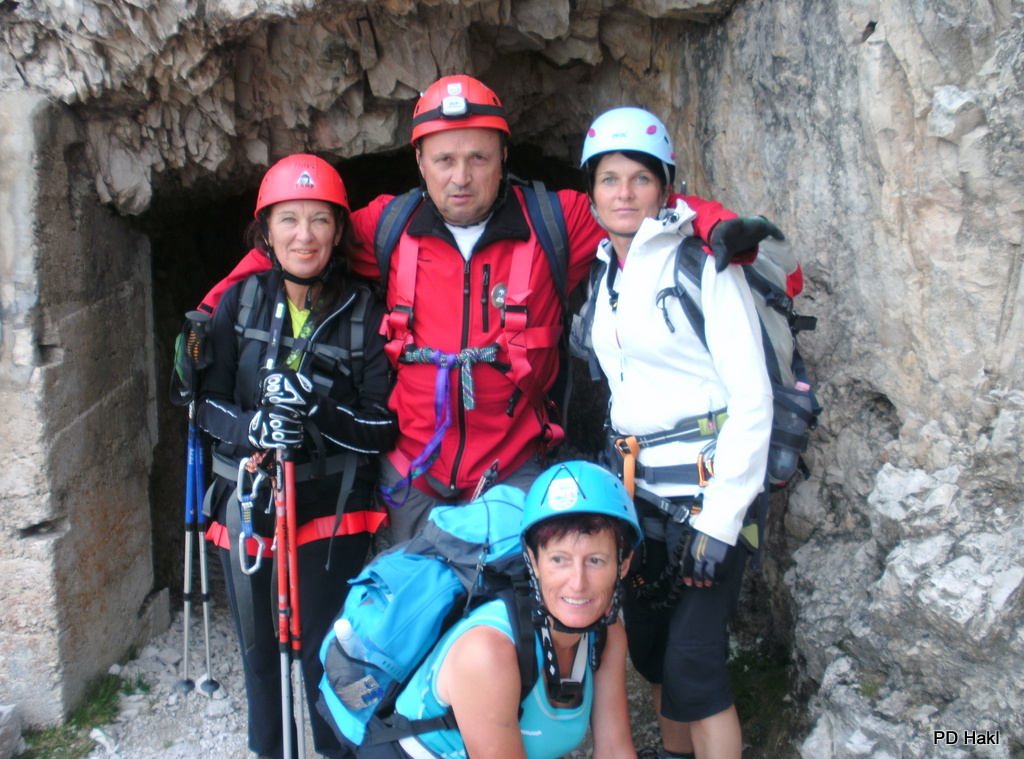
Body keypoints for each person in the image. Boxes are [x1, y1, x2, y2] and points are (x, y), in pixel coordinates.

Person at [199, 75, 747, 543]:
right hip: (412, 477)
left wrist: (720, 227)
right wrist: (208, 310)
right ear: (419, 162)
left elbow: (641, 204)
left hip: (514, 473)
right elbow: (299, 245)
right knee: (418, 618)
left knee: (503, 622)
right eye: (444, 160)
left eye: (478, 158)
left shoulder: (555, 222)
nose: (460, 177)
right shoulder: (387, 227)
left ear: (504, 157)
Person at [576, 107, 775, 759]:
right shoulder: (604, 275)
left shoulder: (704, 264)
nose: (624, 193)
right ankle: (675, 758)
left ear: (665, 188)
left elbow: (753, 398)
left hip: (709, 495)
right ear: (591, 192)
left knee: (695, 661)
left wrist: (720, 522)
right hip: (641, 498)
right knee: (655, 650)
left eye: (640, 178)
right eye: (609, 179)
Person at [196, 154, 398, 759]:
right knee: (259, 646)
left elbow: (382, 427)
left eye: (319, 220)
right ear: (266, 231)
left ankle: (335, 751)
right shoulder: (240, 303)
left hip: (330, 511)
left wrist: (317, 407)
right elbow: (205, 406)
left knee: (323, 643)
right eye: (288, 219)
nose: (303, 235)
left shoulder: (363, 311)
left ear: (338, 232)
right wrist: (251, 426)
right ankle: (271, 753)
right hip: (249, 503)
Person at [390, 460, 642, 759]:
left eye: (596, 561)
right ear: (533, 561)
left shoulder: (606, 632)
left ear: (623, 565)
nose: (578, 583)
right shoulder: (488, 652)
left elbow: (615, 753)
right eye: (559, 559)